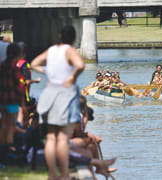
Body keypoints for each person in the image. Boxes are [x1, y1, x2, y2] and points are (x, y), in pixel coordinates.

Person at [31, 25, 115, 180]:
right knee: (62, 137)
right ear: (74, 38)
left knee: (50, 137)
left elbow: (35, 63)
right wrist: (72, 77)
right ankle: (63, 174)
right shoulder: (69, 50)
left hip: (49, 94)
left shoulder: (51, 50)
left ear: (59, 36)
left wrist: (48, 72)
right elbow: (81, 65)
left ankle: (52, 174)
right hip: (64, 95)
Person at [0, 43, 26, 158]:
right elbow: (19, 88)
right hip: (12, 101)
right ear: (18, 54)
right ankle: (9, 149)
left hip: (2, 100)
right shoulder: (15, 69)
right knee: (11, 126)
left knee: (3, 125)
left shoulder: (2, 65)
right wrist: (23, 104)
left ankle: (2, 148)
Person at [16, 42, 41, 127]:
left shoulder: (13, 63)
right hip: (23, 96)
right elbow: (26, 82)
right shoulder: (24, 65)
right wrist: (35, 80)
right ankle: (29, 130)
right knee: (35, 107)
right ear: (24, 53)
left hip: (13, 96)